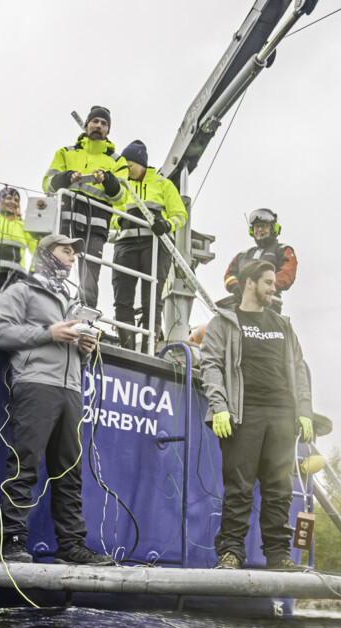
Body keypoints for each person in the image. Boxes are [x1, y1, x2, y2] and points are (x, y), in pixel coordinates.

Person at [0, 233, 113, 565]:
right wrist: (49, 332)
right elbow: (1, 333)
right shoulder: (21, 291)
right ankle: (13, 542)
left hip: (71, 390)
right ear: (46, 254)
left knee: (70, 471)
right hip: (35, 384)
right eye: (66, 251)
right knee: (25, 463)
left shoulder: (72, 301)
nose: (72, 259)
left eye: (74, 253)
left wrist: (85, 350)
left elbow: (74, 352)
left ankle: (71, 545)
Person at [199, 260, 314, 571]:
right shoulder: (224, 322)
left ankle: (278, 557)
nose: (273, 288)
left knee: (280, 492)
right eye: (267, 282)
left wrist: (304, 411)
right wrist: (219, 406)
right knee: (239, 489)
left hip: (282, 417)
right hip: (243, 415)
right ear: (249, 283)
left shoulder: (283, 325)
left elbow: (299, 370)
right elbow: (209, 365)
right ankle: (231, 554)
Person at [43, 106, 128, 311]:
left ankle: (85, 322)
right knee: (57, 269)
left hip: (96, 227)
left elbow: (121, 197)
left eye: (104, 123)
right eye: (95, 121)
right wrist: (65, 177)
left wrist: (108, 180)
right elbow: (46, 184)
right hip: (67, 220)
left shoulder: (117, 161)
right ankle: (49, 311)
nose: (99, 125)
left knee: (90, 278)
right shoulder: (65, 153)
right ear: (87, 124)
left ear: (108, 130)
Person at [109, 140, 187, 352]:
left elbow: (181, 215)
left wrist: (167, 224)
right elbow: (111, 215)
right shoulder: (122, 184)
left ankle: (147, 349)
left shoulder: (163, 184)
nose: (126, 168)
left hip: (154, 245)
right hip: (125, 244)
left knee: (150, 300)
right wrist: (120, 221)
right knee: (121, 298)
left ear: (141, 162)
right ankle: (126, 347)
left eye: (129, 164)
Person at [222, 207, 297, 312]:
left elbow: (287, 275)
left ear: (274, 228)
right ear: (252, 230)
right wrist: (239, 287)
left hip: (268, 307)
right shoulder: (241, 255)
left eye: (264, 226)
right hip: (240, 306)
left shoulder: (283, 250)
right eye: (256, 227)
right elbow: (229, 276)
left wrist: (261, 286)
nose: (259, 229)